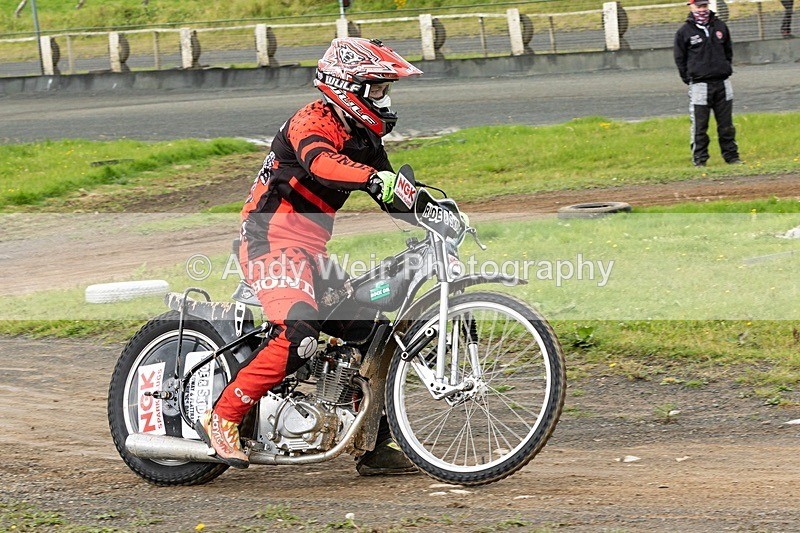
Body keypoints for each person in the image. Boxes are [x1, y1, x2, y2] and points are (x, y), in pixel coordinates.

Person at [196, 37, 423, 474]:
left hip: (310, 252)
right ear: (348, 88)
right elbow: (321, 163)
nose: (384, 99)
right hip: (269, 241)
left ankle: (372, 444)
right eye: (377, 89)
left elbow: (392, 194)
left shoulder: (364, 139)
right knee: (299, 332)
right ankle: (223, 416)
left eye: (385, 90)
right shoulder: (311, 120)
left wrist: (437, 211)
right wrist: (372, 179)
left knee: (371, 333)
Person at [674, 0, 742, 167]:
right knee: (700, 126)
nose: (702, 9)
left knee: (726, 125)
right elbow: (680, 58)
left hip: (722, 83)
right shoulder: (684, 32)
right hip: (700, 85)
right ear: (691, 6)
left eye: (704, 6)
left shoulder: (720, 26)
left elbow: (728, 52)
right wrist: (690, 78)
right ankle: (700, 159)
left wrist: (724, 68)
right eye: (699, 6)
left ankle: (732, 157)